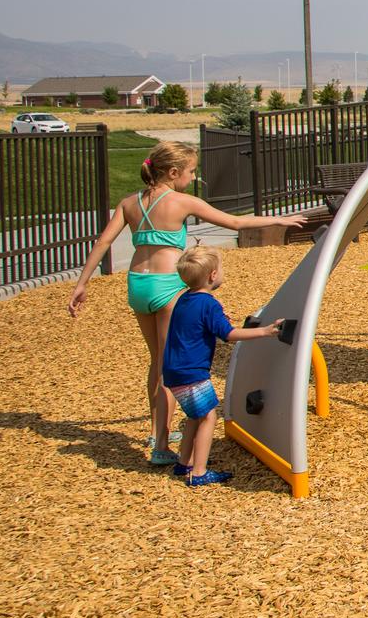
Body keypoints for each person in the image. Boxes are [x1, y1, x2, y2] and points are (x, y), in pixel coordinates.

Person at [68, 141, 307, 466]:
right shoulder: (181, 202)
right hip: (168, 286)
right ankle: (161, 445)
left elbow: (104, 241)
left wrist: (82, 284)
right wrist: (278, 221)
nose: (193, 177)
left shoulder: (130, 202)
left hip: (138, 285)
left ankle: (159, 432)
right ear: (174, 172)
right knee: (169, 366)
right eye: (191, 172)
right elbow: (234, 223)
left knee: (157, 361)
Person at [160, 247, 283, 487]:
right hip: (192, 372)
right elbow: (229, 334)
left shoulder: (183, 299)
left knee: (194, 417)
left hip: (173, 371)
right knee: (208, 417)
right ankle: (199, 471)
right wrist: (266, 331)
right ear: (213, 275)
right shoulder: (208, 304)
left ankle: (184, 462)